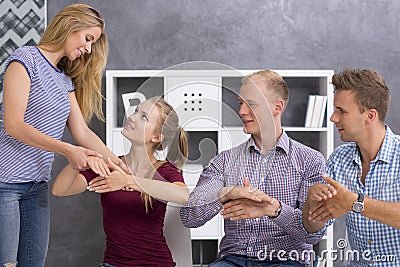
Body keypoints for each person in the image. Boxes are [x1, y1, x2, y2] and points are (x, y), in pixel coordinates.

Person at [0, 4, 123, 267]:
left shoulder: (64, 80)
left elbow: (82, 132)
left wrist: (119, 163)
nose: (89, 48)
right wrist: (68, 150)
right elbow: (14, 125)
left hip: (37, 188)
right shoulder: (25, 60)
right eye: (88, 39)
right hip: (5, 185)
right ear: (70, 25)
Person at [180, 70, 331, 267]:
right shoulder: (224, 161)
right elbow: (189, 217)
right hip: (233, 260)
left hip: (287, 261)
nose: (242, 111)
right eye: (240, 103)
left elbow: (312, 234)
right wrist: (225, 193)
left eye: (251, 104)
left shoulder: (310, 160)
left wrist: (274, 210)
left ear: (277, 107)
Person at [52, 96, 190, 267]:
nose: (132, 118)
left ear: (156, 137)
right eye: (135, 111)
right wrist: (83, 159)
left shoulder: (163, 170)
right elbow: (60, 189)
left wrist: (128, 180)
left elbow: (183, 195)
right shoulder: (109, 166)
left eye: (144, 117)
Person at [307, 68, 400, 266]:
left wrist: (354, 202)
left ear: (370, 116)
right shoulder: (339, 159)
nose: (333, 118)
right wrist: (312, 203)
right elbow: (313, 229)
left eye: (341, 111)